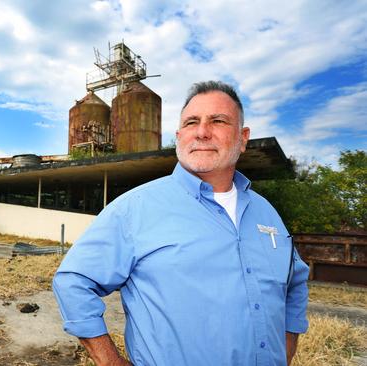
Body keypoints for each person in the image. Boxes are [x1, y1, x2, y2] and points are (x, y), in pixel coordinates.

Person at [53, 81, 309, 366]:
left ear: (243, 137)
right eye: (191, 122)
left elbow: (295, 281)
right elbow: (73, 281)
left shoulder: (266, 213)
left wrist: (286, 347)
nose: (202, 132)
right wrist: (110, 361)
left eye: (218, 121)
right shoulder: (135, 209)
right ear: (179, 136)